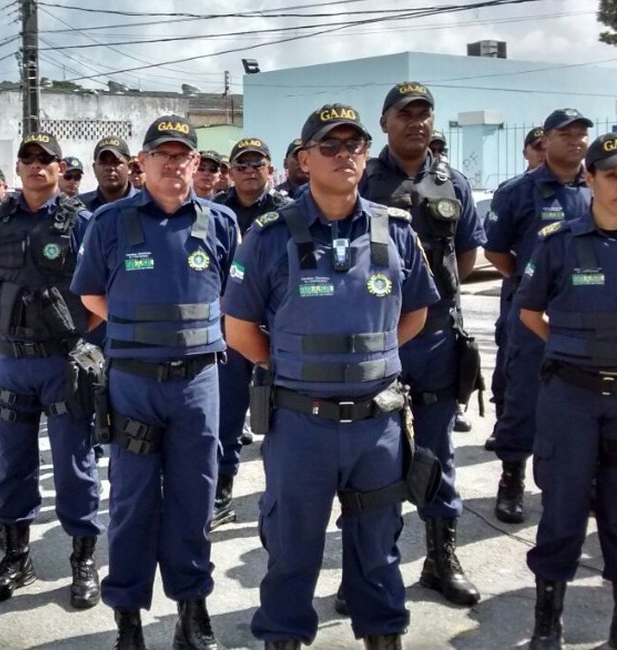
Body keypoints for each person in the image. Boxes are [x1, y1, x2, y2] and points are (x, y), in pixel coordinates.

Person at [224, 104, 440, 648]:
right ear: (304, 159)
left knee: (378, 550)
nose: (345, 155)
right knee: (292, 548)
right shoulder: (270, 236)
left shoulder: (394, 231)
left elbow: (414, 313)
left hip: (377, 425)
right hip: (302, 425)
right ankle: (285, 637)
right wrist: (295, 366)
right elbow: (239, 328)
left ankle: (382, 635)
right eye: (330, 146)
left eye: (355, 145)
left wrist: (371, 361)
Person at [72, 114, 238, 649]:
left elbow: (233, 300)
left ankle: (192, 610)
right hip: (134, 384)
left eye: (183, 154)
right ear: (141, 164)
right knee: (132, 504)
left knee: (195, 500)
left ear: (196, 163)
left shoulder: (220, 223)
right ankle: (128, 618)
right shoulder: (109, 223)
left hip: (198, 383)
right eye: (161, 154)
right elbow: (93, 296)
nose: (173, 163)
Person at [360, 82, 485, 608]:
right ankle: (370, 571)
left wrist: (427, 298)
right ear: (385, 122)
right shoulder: (361, 181)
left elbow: (471, 254)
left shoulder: (452, 182)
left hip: (434, 337)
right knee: (373, 460)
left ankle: (440, 558)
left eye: (424, 114)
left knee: (436, 452)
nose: (416, 122)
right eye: (405, 114)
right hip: (376, 338)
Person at [0, 132, 102, 607]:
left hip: (60, 363)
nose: (35, 166)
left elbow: (98, 296)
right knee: (12, 464)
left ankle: (82, 560)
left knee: (74, 466)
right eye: (26, 159)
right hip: (10, 362)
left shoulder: (81, 222)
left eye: (44, 159)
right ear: (18, 167)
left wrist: (71, 337)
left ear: (58, 167)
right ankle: (16, 558)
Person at [515, 132, 617, 650]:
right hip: (571, 397)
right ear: (592, 179)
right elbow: (529, 310)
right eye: (612, 175)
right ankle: (547, 621)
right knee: (562, 509)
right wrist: (570, 346)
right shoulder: (558, 241)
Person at [484, 108, 593, 524]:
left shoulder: (597, 186)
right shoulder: (518, 192)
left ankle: (582, 485)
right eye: (566, 134)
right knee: (524, 397)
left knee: (582, 404)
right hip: (532, 315)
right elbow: (495, 250)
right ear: (545, 140)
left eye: (582, 133)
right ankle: (512, 478)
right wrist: (532, 285)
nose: (576, 140)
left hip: (585, 319)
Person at [211, 136, 293, 530]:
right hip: (228, 331)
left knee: (281, 415)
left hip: (276, 331)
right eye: (241, 164)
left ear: (270, 169)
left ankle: (284, 489)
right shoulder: (215, 213)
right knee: (226, 415)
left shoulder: (289, 214)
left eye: (256, 164)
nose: (249, 171)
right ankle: (222, 489)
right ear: (230, 171)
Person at [486, 125, 547, 441]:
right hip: (520, 290)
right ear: (526, 152)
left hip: (562, 295)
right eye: (536, 146)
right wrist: (522, 278)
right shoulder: (513, 190)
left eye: (545, 144)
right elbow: (494, 249)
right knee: (512, 360)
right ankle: (506, 428)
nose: (542, 151)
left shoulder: (582, 188)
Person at [78, 137, 138, 211]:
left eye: (116, 162)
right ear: (94, 168)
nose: (109, 168)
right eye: (103, 163)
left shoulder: (146, 205)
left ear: (129, 167)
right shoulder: (79, 207)